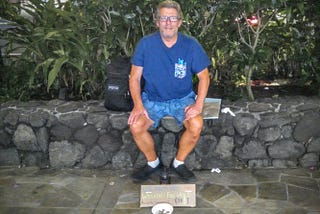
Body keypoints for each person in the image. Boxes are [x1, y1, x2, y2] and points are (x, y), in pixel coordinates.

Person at [128, 0, 210, 182]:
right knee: (136, 125)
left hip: (182, 99)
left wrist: (198, 104)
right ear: (157, 21)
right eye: (163, 18)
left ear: (179, 22)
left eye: (172, 18)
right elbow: (134, 78)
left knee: (196, 125)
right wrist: (138, 105)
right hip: (152, 100)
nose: (168, 22)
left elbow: (204, 77)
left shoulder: (191, 44)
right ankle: (153, 162)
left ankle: (179, 162)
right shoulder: (146, 44)